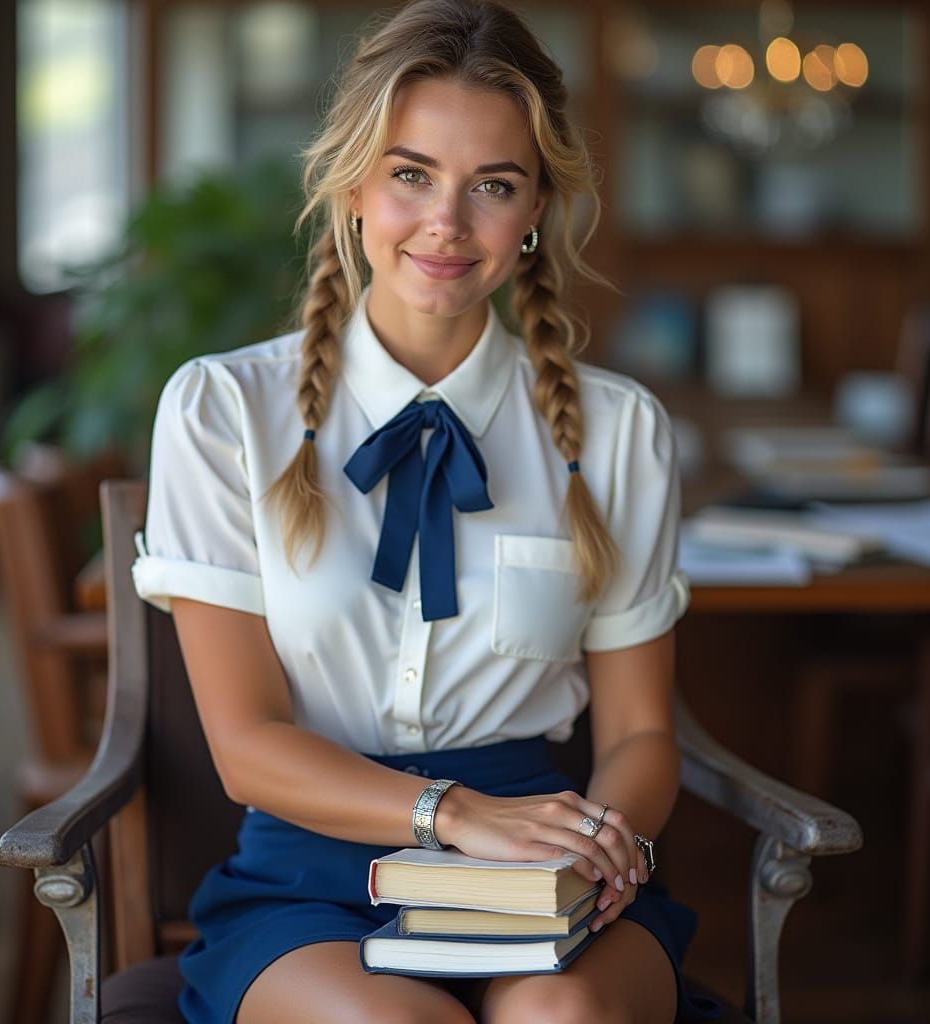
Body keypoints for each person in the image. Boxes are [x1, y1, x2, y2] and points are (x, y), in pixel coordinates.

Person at [132, 2, 721, 1022]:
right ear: (355, 184)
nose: (446, 222)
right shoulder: (222, 410)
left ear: (535, 207)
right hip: (312, 874)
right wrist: (452, 816)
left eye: (492, 185)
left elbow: (637, 733)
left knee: (560, 1014)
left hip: (539, 866)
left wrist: (590, 848)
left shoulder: (618, 431)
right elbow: (244, 743)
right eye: (411, 174)